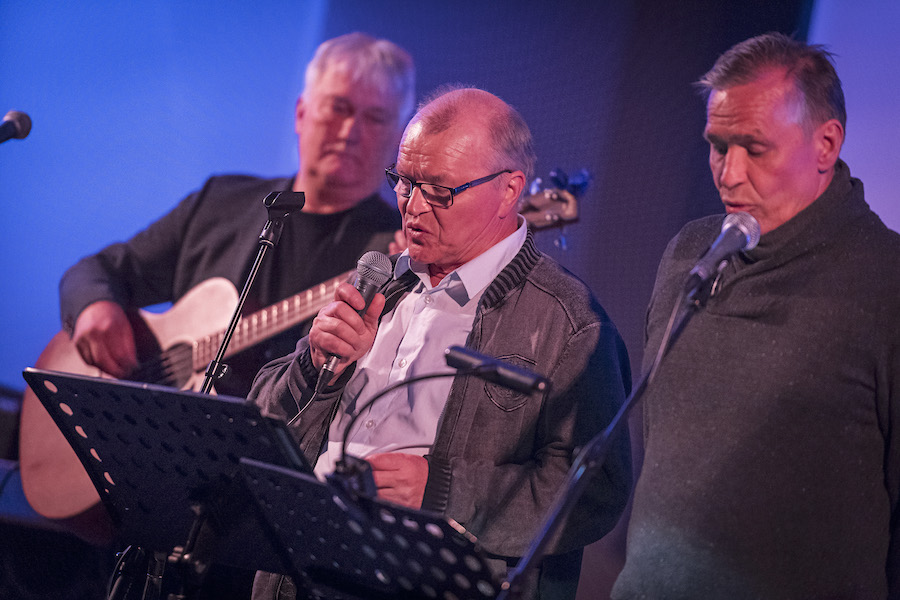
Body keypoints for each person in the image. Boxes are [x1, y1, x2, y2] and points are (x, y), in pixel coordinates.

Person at [249, 87, 633, 600]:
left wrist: (441, 491)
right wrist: (314, 368)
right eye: (404, 182)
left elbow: (594, 491)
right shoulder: (379, 281)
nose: (412, 207)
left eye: (439, 190)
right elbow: (257, 430)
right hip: (299, 576)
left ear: (509, 191)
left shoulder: (569, 323)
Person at [612, 33, 900, 599]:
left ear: (826, 144)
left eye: (755, 148)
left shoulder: (886, 283)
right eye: (718, 146)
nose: (729, 173)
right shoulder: (689, 252)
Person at [57, 32, 415, 398]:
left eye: (375, 118)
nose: (350, 132)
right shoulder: (220, 202)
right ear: (301, 113)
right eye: (338, 108)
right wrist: (93, 307)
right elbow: (97, 271)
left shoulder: (393, 255)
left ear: (397, 139)